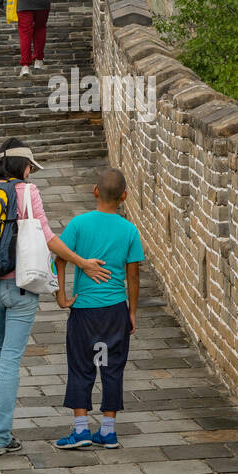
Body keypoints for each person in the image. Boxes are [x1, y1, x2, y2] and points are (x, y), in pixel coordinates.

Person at [0, 140, 112, 455]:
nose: (30, 172)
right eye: (29, 166)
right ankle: (0, 438)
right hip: (20, 286)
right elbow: (48, 238)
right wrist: (82, 263)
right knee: (11, 360)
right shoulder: (27, 193)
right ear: (20, 166)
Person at [53, 168, 144, 449]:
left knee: (81, 366)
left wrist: (62, 295)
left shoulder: (79, 225)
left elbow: (59, 258)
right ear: (124, 196)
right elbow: (133, 275)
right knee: (112, 367)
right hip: (115, 311)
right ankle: (108, 430)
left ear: (95, 191)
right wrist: (132, 311)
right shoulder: (129, 230)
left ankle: (81, 430)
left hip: (84, 310)